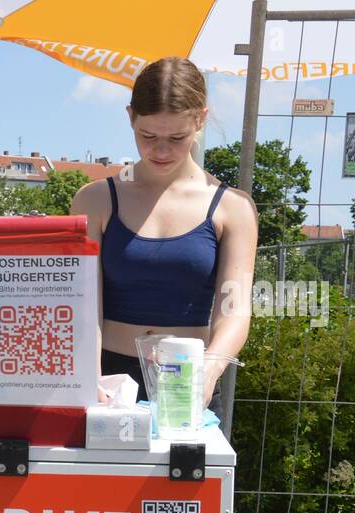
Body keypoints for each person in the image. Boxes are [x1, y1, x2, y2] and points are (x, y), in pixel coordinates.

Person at [70, 56, 258, 414]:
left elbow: (234, 310)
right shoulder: (94, 200)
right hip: (107, 379)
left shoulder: (232, 208)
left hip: (190, 379)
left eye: (177, 138)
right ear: (130, 118)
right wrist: (86, 376)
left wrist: (211, 370)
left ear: (200, 120)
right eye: (148, 136)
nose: (160, 150)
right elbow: (82, 302)